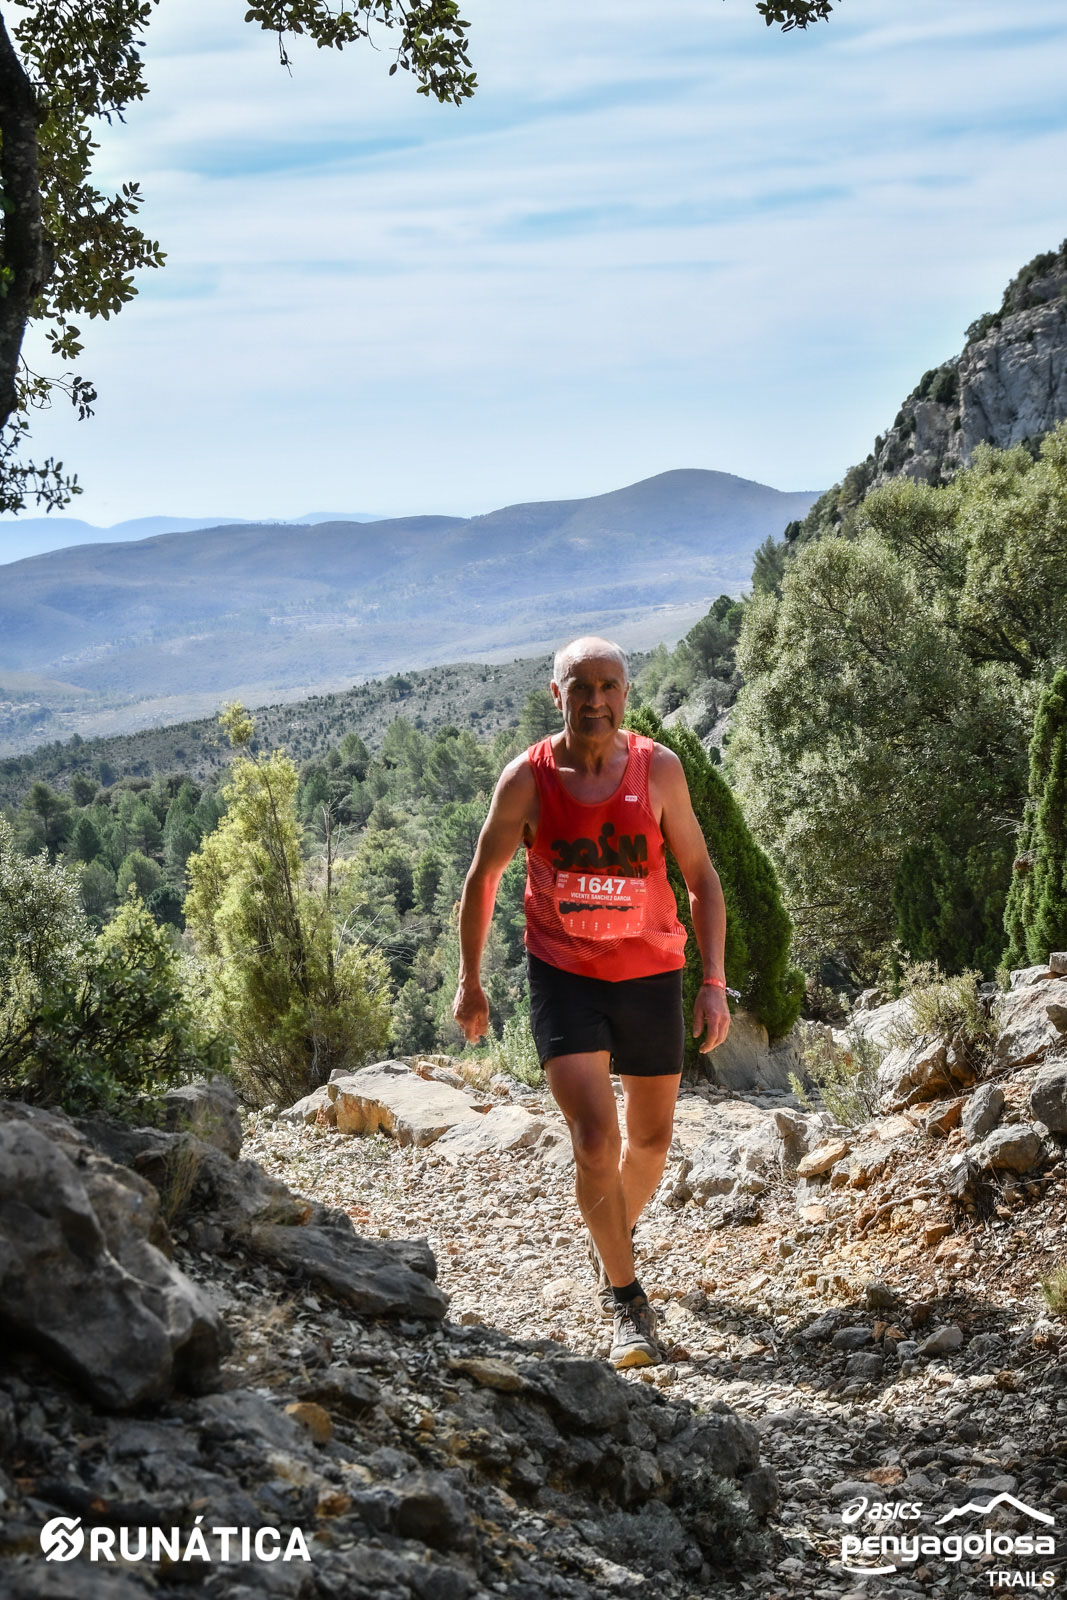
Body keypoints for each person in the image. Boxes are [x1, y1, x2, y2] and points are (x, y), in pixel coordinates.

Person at [452, 636, 731, 1368]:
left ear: (625, 695)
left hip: (649, 972)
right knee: (595, 1142)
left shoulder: (658, 770)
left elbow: (701, 879)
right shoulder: (527, 780)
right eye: (581, 686)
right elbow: (482, 880)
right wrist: (470, 981)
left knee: (651, 1142)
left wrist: (712, 981)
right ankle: (626, 1300)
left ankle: (609, 1238)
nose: (595, 700)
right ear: (558, 695)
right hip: (564, 973)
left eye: (609, 686)